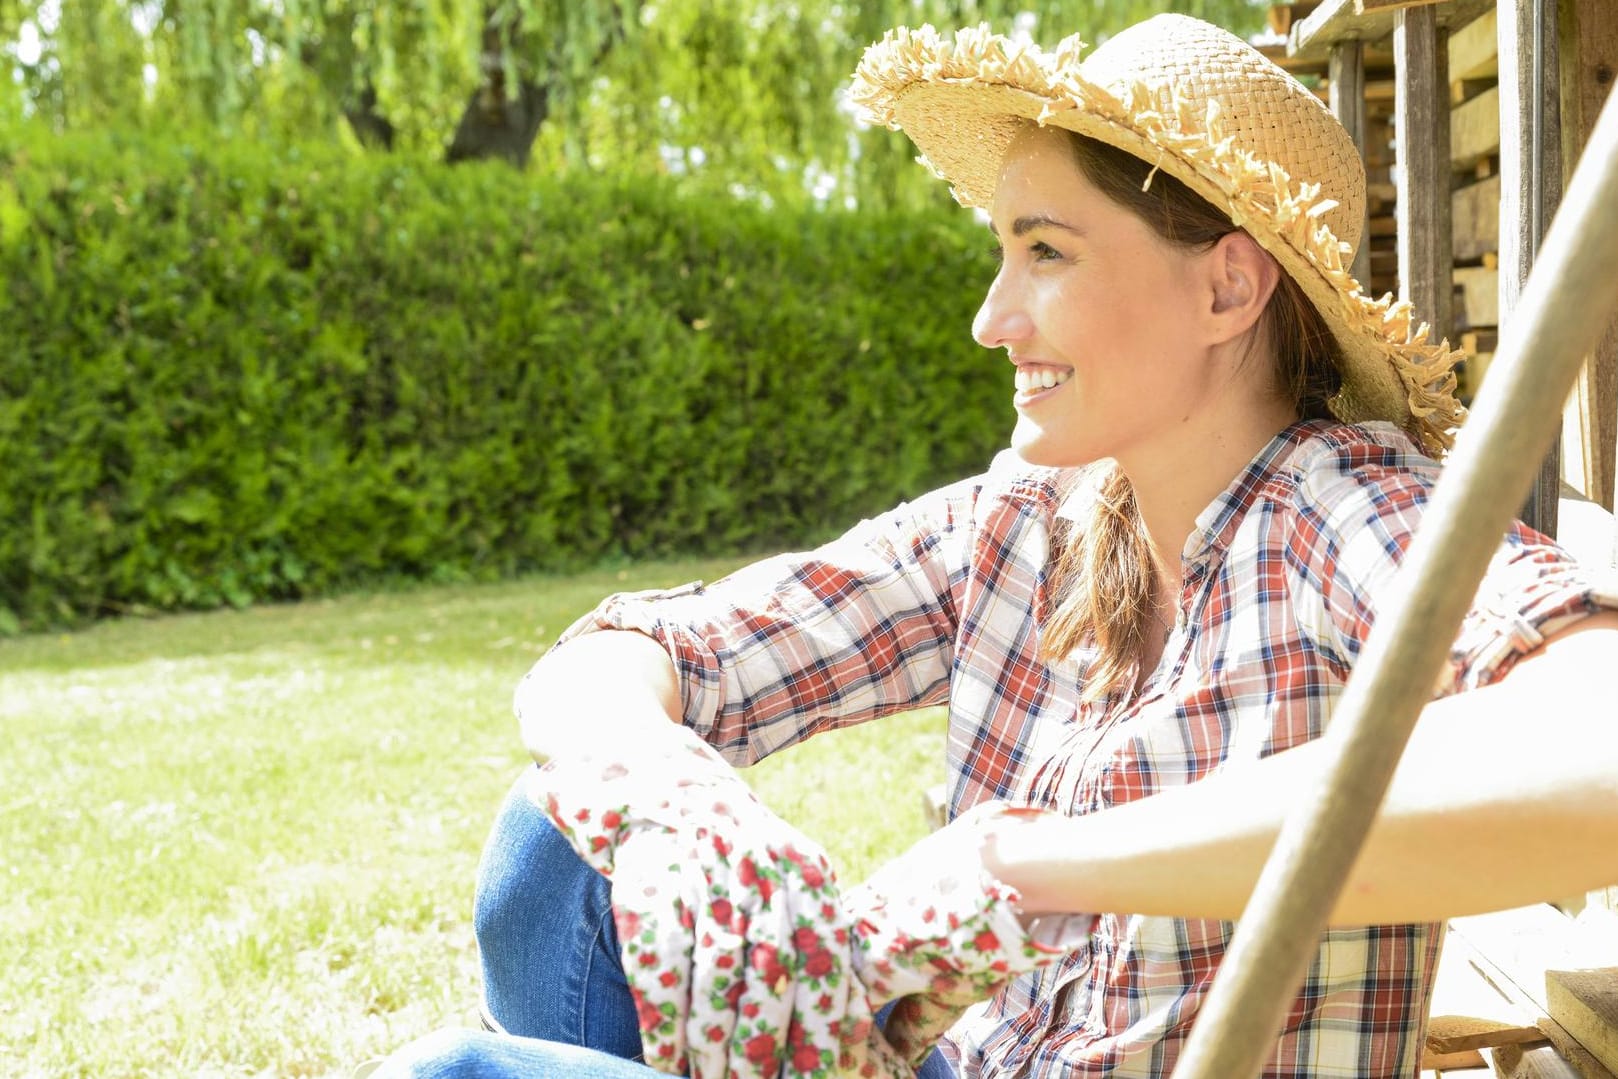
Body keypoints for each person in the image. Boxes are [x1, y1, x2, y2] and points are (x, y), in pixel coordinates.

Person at [372, 13, 1618, 1079]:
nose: (989, 317)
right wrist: (675, 791)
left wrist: (1020, 866)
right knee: (562, 830)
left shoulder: (1339, 509)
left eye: (1044, 251)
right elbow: (626, 652)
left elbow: (1598, 749)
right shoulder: (1032, 515)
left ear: (1227, 291)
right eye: (1002, 250)